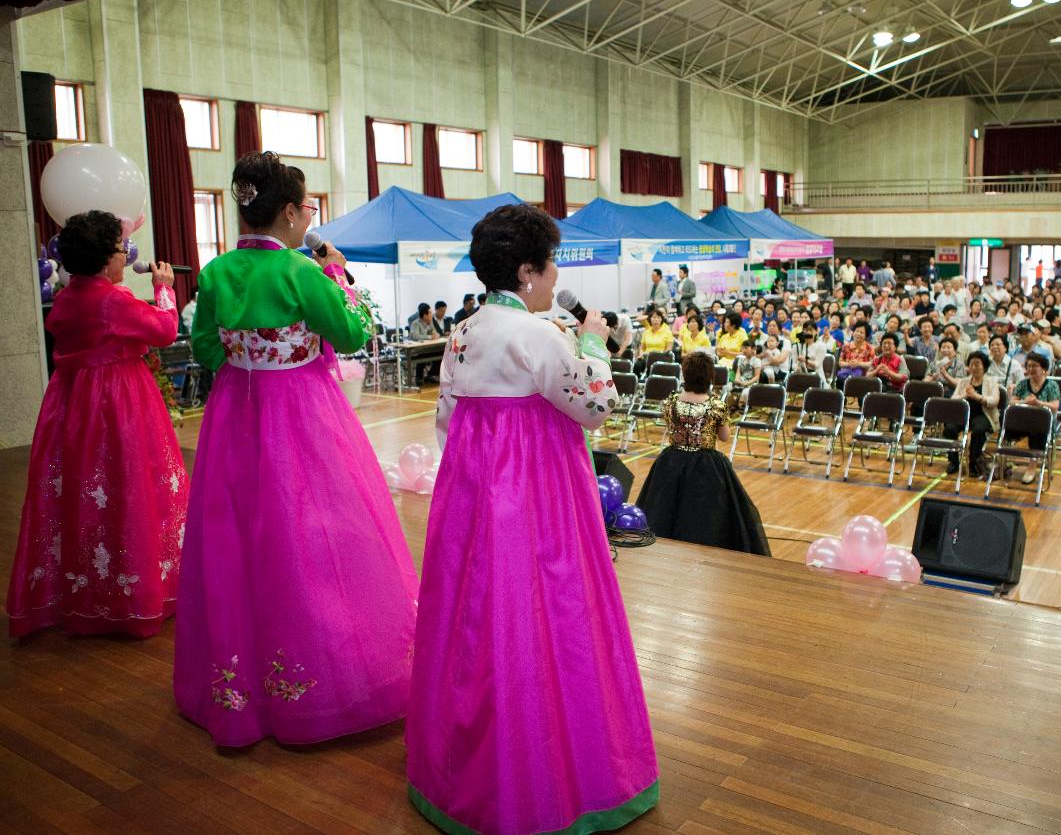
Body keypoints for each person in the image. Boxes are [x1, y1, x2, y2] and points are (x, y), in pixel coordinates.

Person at [406, 204, 658, 834]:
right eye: (549, 266)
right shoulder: (541, 334)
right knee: (550, 616)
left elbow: (446, 421)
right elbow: (596, 404)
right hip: (539, 499)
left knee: (478, 619)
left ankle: (469, 771)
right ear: (526, 272)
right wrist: (596, 341)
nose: (552, 278)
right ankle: (549, 771)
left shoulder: (463, 331)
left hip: (474, 495)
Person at [175, 152, 419, 746]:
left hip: (235, 411)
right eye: (308, 206)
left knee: (238, 533)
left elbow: (204, 346)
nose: (309, 216)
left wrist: (245, 363)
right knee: (317, 532)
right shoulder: (301, 271)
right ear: (288, 212)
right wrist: (337, 275)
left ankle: (241, 687)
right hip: (303, 411)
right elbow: (353, 332)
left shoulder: (215, 272)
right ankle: (330, 678)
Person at [7, 210, 186, 638]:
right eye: (121, 251)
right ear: (106, 260)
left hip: (71, 403)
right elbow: (164, 330)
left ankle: (84, 593)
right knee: (130, 488)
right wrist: (163, 289)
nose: (125, 258)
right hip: (118, 402)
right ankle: (136, 594)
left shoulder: (68, 297)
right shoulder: (113, 299)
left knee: (84, 493)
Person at [636, 352, 769, 556]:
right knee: (705, 513)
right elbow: (724, 436)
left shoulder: (672, 401)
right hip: (706, 465)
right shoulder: (715, 405)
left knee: (665, 509)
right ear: (709, 377)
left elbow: (669, 425)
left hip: (671, 461)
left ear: (685, 374)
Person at [946, 351, 999, 477]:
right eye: (971, 364)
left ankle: (974, 462)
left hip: (984, 415)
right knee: (949, 429)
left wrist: (977, 396)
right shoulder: (963, 382)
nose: (974, 367)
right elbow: (953, 400)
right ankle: (953, 461)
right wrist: (965, 395)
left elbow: (994, 401)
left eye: (977, 364)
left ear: (984, 366)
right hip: (964, 415)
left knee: (979, 429)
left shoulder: (992, 382)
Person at [1010, 352, 1061, 483]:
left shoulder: (1052, 385)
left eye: (1035, 366)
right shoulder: (1022, 384)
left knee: (1037, 431)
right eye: (1029, 366)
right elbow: (1011, 402)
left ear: (1043, 368)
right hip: (1024, 421)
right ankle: (1004, 461)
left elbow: (1055, 406)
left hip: (1043, 424)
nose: (1031, 369)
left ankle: (1032, 466)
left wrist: (1039, 403)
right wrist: (1024, 402)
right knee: (1006, 424)